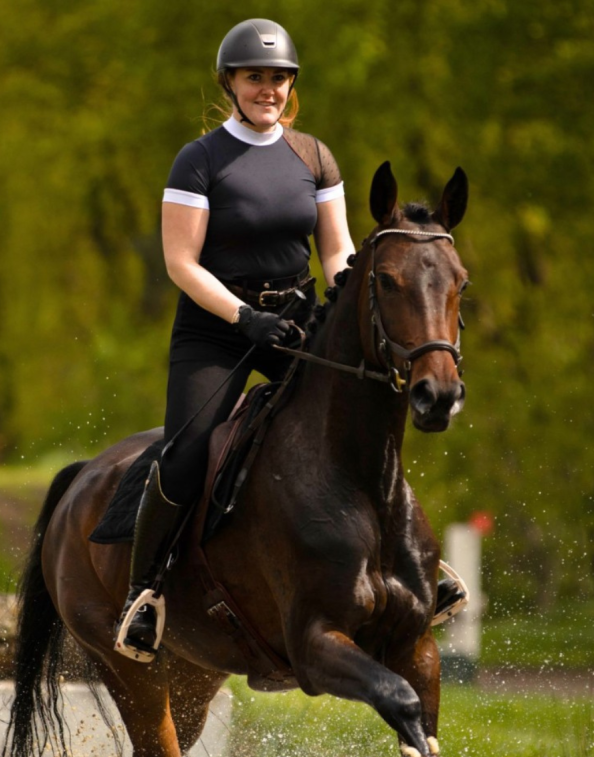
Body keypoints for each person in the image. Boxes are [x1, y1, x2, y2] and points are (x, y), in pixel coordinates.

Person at [114, 19, 356, 661]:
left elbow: (336, 250)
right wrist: (244, 317)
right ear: (230, 83)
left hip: (297, 321)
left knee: (357, 420)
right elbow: (181, 263)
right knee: (188, 452)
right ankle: (146, 593)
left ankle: (412, 562)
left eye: (278, 78)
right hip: (215, 330)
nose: (268, 89)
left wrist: (346, 301)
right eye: (255, 77)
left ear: (291, 85)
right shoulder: (199, 160)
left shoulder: (314, 156)